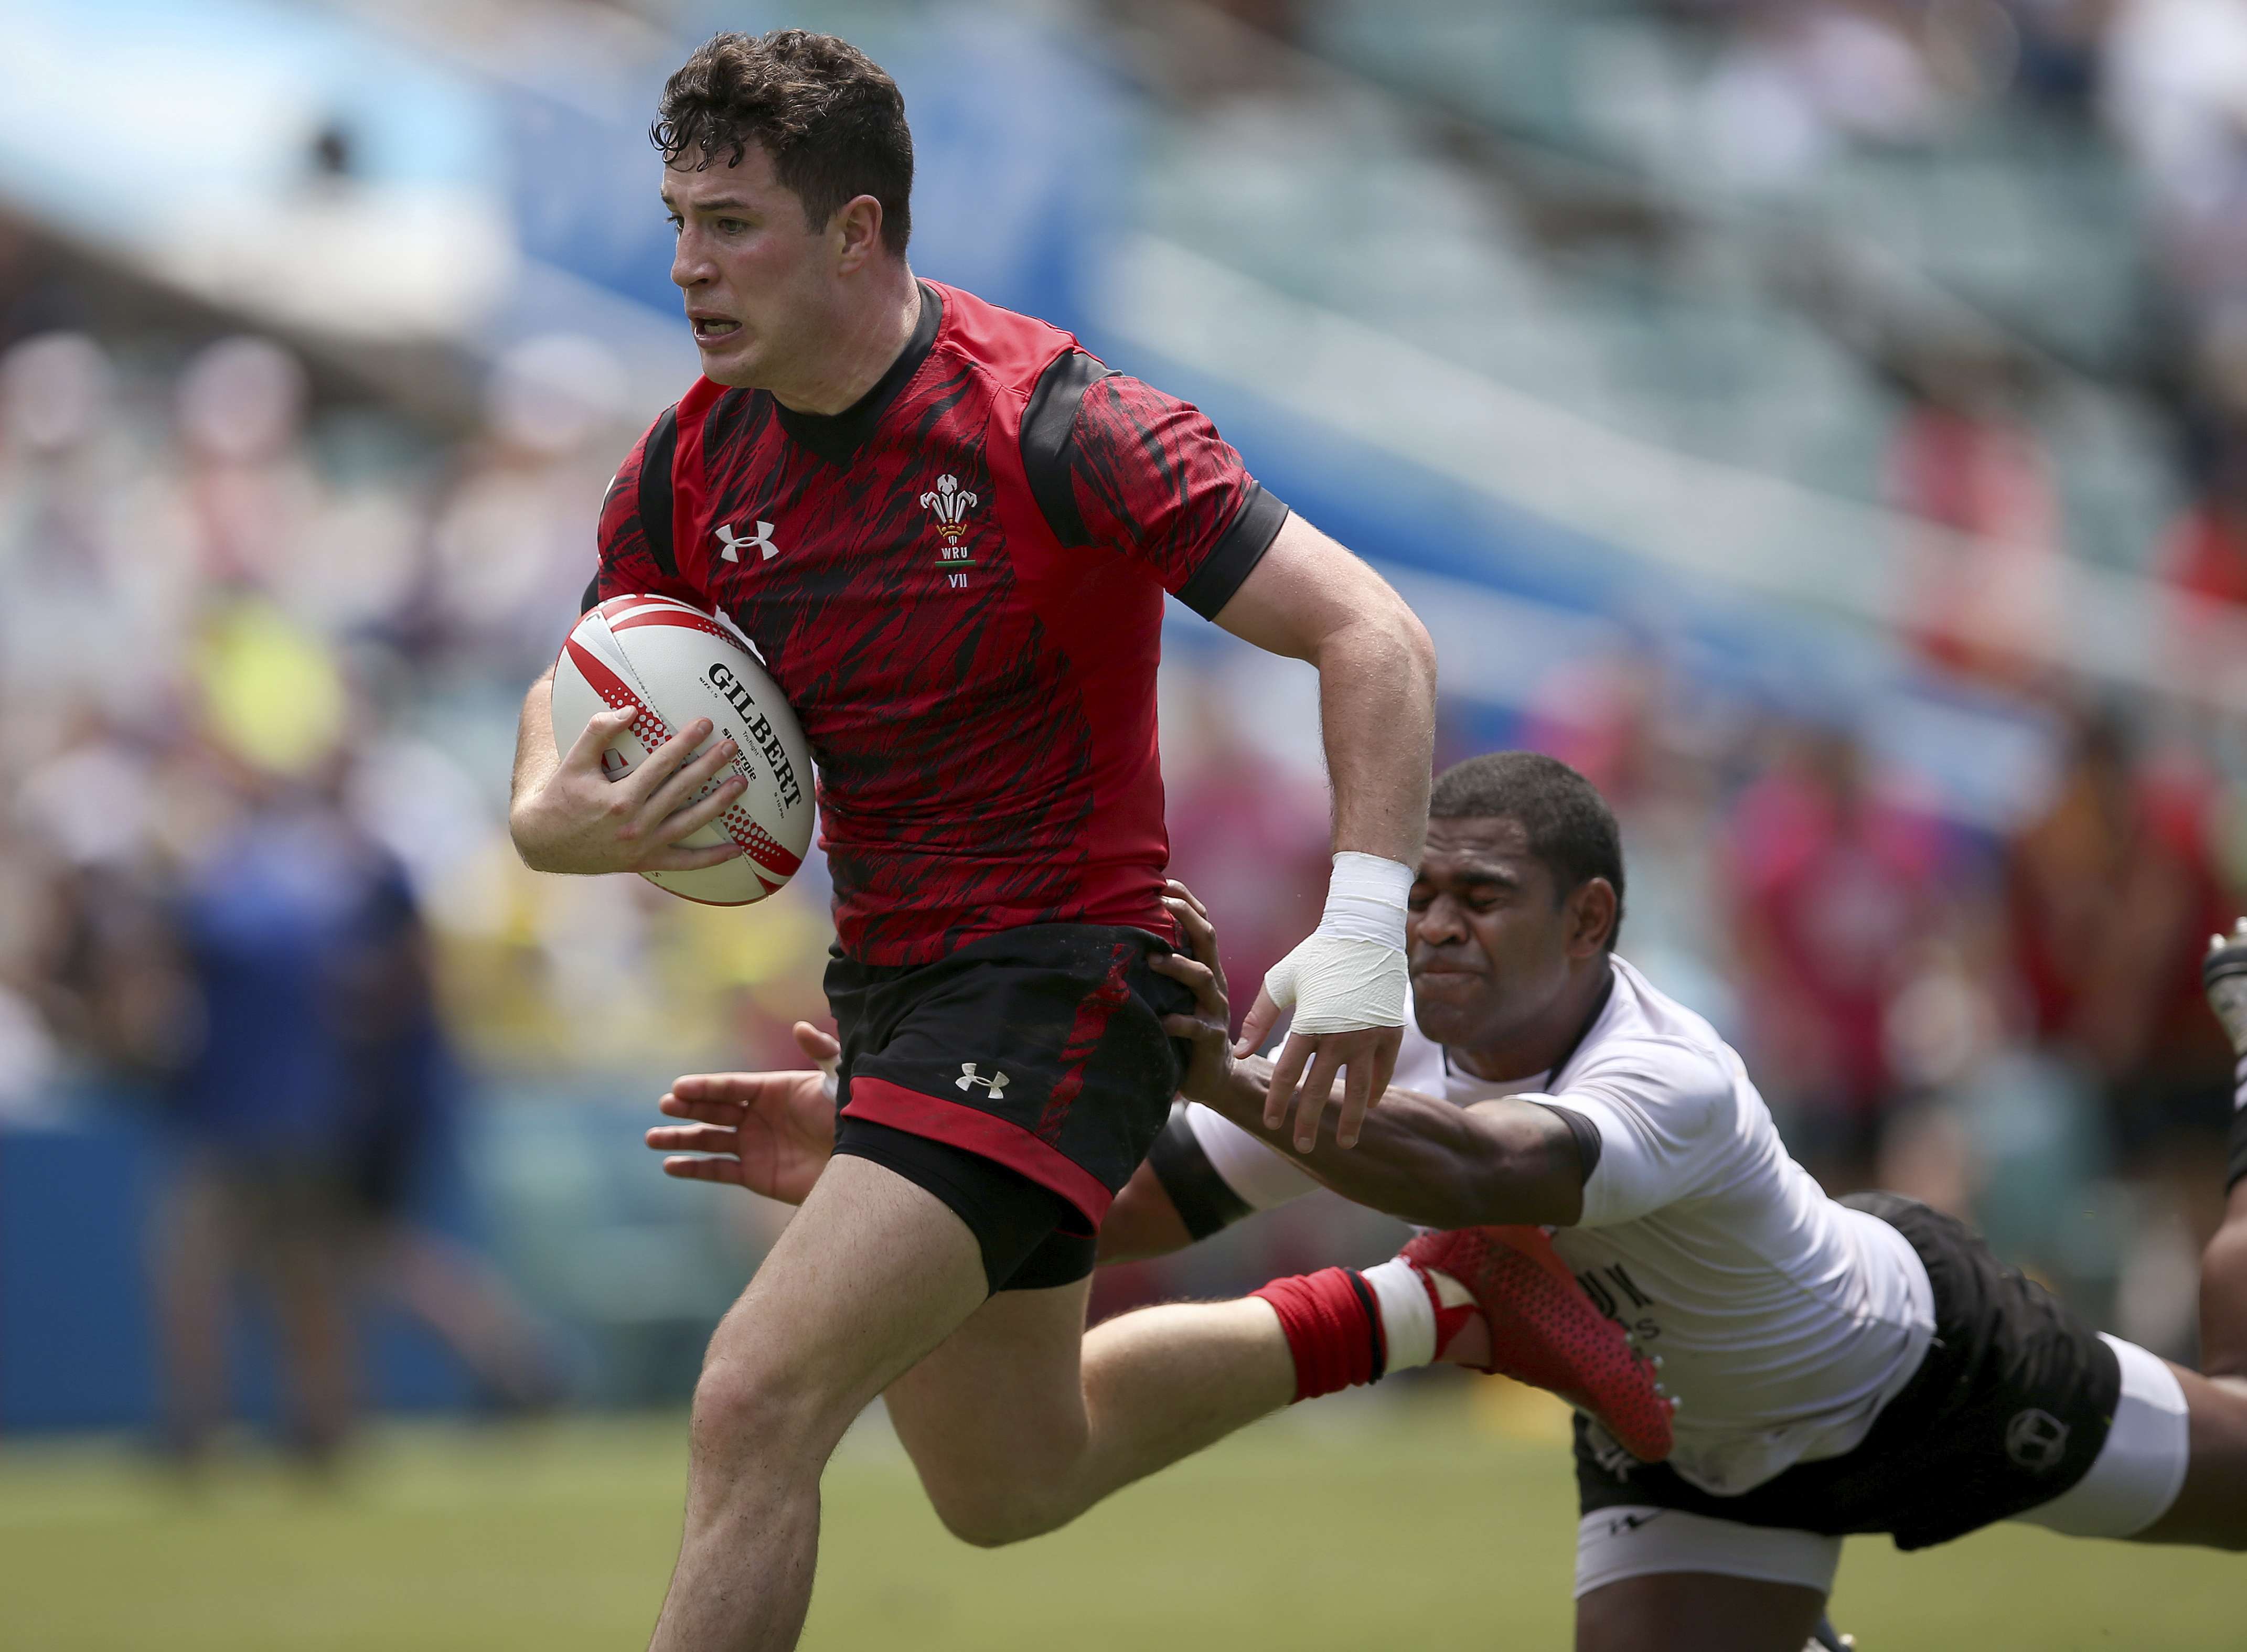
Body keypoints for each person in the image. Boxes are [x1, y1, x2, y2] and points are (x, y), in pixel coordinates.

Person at [504, 30, 1440, 1651]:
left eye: (731, 225)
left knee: (753, 1399)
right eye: (676, 221)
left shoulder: (1060, 425)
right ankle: (1431, 1305)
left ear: (855, 232)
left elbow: (1374, 637)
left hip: (1066, 986)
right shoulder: (692, 457)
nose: (684, 267)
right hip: (895, 1000)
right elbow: (586, 661)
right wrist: (544, 811)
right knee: (1007, 1479)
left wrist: (1361, 944)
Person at [653, 753, 2247, 1652]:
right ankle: (1451, 1309)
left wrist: (1207, 1066)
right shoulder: (1390, 1034)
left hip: (1914, 1374)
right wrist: (909, 1149)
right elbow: (1149, 1210)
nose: (1435, 932)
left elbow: (1476, 1172)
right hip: (1670, 1436)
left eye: (1480, 900)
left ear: (1592, 918)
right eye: (1417, 898)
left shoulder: (1666, 1069)